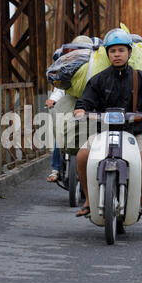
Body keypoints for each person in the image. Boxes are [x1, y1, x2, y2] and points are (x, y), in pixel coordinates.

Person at [73, 28, 142, 218]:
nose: (117, 55)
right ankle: (89, 199)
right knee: (82, 156)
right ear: (107, 54)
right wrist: (81, 110)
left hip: (132, 132)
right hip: (101, 133)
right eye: (113, 51)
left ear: (129, 53)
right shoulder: (98, 80)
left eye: (121, 50)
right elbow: (85, 101)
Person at [46, 35, 94, 182]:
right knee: (61, 134)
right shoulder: (67, 65)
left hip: (90, 105)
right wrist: (53, 100)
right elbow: (61, 87)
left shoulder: (95, 65)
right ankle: (55, 168)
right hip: (71, 104)